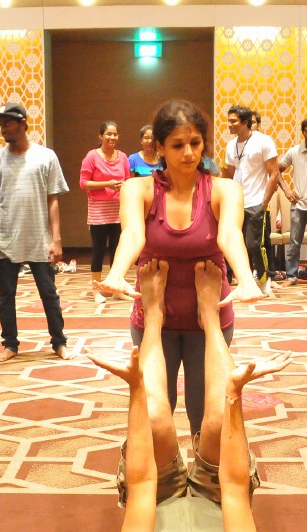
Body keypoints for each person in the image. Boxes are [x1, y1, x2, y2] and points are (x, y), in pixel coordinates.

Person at [99, 259, 287, 532]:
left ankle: (152, 316)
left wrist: (136, 390)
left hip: (161, 495)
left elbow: (142, 484)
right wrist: (235, 394)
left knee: (154, 416)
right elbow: (236, 488)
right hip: (215, 495)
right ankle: (210, 317)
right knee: (218, 413)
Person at [95, 99, 262, 436]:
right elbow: (132, 234)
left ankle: (207, 477)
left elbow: (229, 234)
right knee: (157, 413)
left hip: (210, 316)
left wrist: (245, 278)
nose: (188, 153)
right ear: (159, 147)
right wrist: (115, 273)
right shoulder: (137, 188)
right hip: (154, 317)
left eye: (195, 143)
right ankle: (162, 479)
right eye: (177, 145)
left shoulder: (224, 189)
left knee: (209, 414)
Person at [0, 102, 72, 363]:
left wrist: (57, 239)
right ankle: (10, 344)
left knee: (49, 294)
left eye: (8, 122)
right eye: (0, 124)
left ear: (23, 123)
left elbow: (53, 200)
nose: (3, 128)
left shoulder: (46, 156)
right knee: (5, 296)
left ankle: (59, 342)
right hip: (6, 240)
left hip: (40, 240)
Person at [222, 105, 279, 284]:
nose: (229, 124)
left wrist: (264, 202)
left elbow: (274, 173)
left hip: (256, 201)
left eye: (233, 121)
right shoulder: (231, 145)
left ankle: (264, 281)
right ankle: (244, 281)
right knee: (236, 244)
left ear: (245, 122)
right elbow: (227, 174)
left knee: (255, 245)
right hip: (235, 203)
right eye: (228, 120)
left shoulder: (263, 141)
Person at [79, 121, 131, 302]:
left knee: (118, 250)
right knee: (98, 250)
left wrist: (121, 187)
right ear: (100, 136)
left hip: (119, 210)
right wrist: (108, 184)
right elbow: (84, 183)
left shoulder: (123, 157)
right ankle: (96, 290)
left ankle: (116, 289)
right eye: (108, 134)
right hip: (98, 211)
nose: (112, 137)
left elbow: (128, 181)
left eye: (115, 134)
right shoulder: (92, 156)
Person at [278, 117, 307, 286]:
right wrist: (286, 190)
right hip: (298, 203)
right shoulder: (294, 151)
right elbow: (277, 170)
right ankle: (291, 276)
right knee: (294, 242)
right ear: (303, 132)